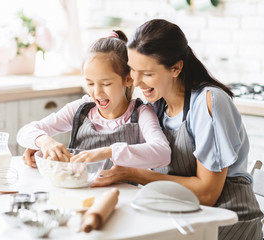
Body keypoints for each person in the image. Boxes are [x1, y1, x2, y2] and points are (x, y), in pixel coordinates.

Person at [90, 19, 263, 239]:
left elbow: (208, 193)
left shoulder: (208, 102)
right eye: (133, 70)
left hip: (227, 219)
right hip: (182, 215)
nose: (137, 82)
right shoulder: (155, 106)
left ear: (176, 68)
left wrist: (134, 174)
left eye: (148, 73)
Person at [17, 30, 171, 170]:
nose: (97, 92)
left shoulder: (142, 113)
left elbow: (163, 153)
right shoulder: (83, 108)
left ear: (128, 79)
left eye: (106, 84)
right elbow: (25, 132)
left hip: (122, 196)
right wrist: (45, 142)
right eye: (90, 83)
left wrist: (107, 152)